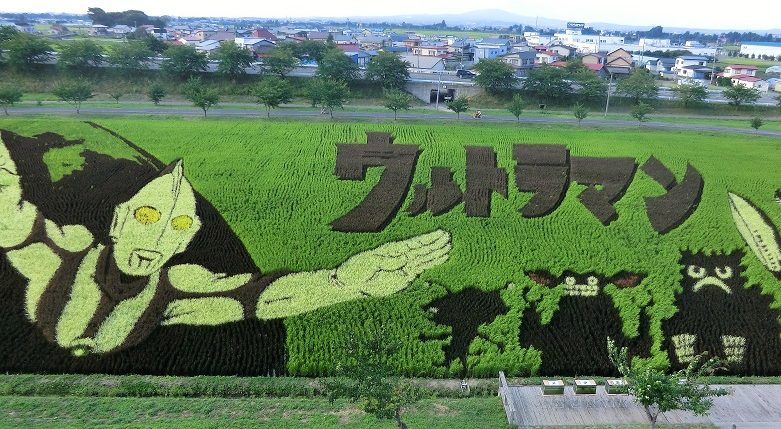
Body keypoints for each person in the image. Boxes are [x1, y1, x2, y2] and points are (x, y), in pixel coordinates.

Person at [0, 133, 451, 357]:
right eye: (147, 217)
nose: (158, 237)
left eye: (177, 226)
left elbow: (260, 297)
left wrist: (345, 283)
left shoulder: (175, 287)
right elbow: (13, 217)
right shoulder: (66, 253)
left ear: (185, 240)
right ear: (118, 219)